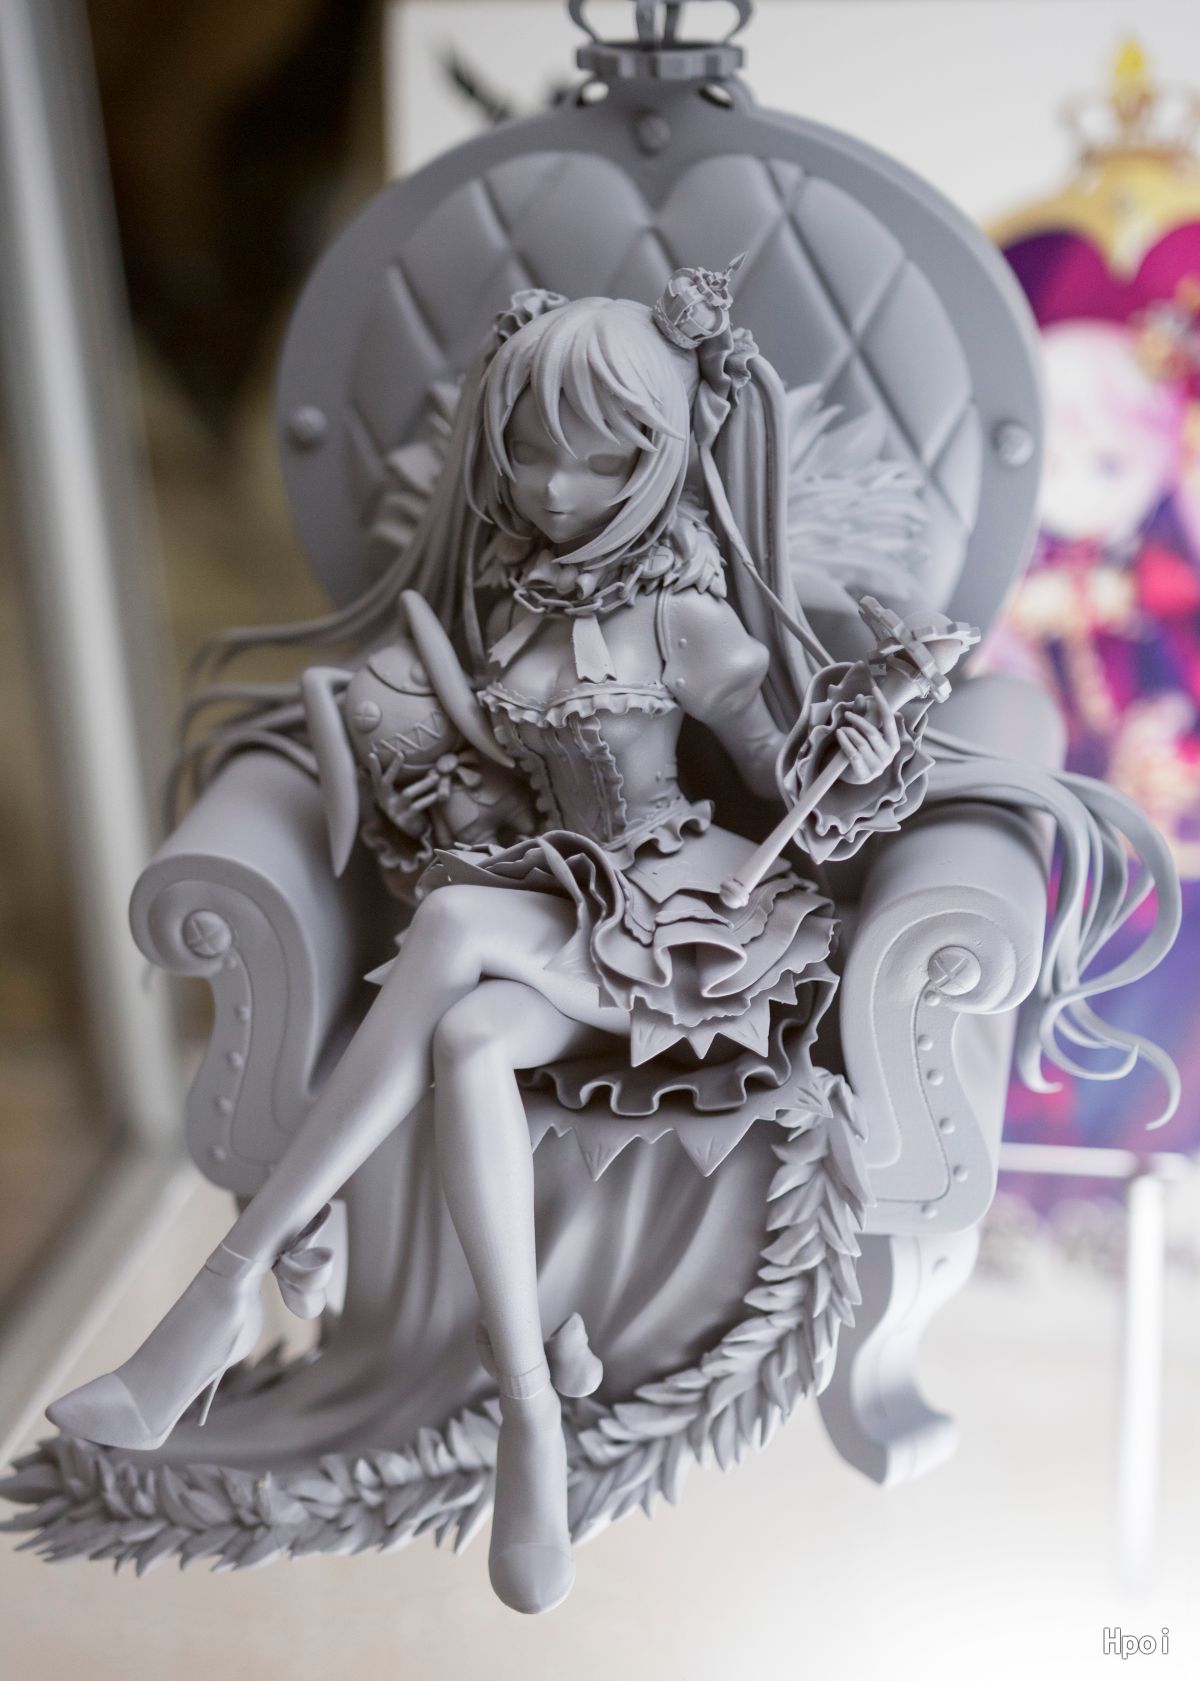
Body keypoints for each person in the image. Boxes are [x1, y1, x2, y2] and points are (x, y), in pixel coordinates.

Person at [48, 268, 1181, 1615]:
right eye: (530, 451)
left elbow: (782, 784)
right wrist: (402, 733)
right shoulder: (509, 597)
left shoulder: (688, 619)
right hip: (555, 896)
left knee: (456, 934)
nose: (556, 486)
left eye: (602, 457)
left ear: (664, 454)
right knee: (472, 1033)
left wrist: (858, 750)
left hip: (681, 913)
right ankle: (530, 1414)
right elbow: (474, 762)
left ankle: (220, 1296)